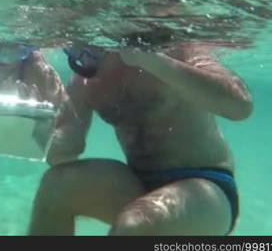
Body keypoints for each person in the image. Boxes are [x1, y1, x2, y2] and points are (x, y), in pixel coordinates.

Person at [28, 37, 253, 235]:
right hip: (136, 182)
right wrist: (42, 115)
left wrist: (153, 61)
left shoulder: (177, 50)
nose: (82, 58)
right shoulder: (85, 82)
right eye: (73, 50)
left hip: (206, 187)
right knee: (55, 186)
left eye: (91, 49)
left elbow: (240, 106)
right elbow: (62, 153)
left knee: (136, 224)